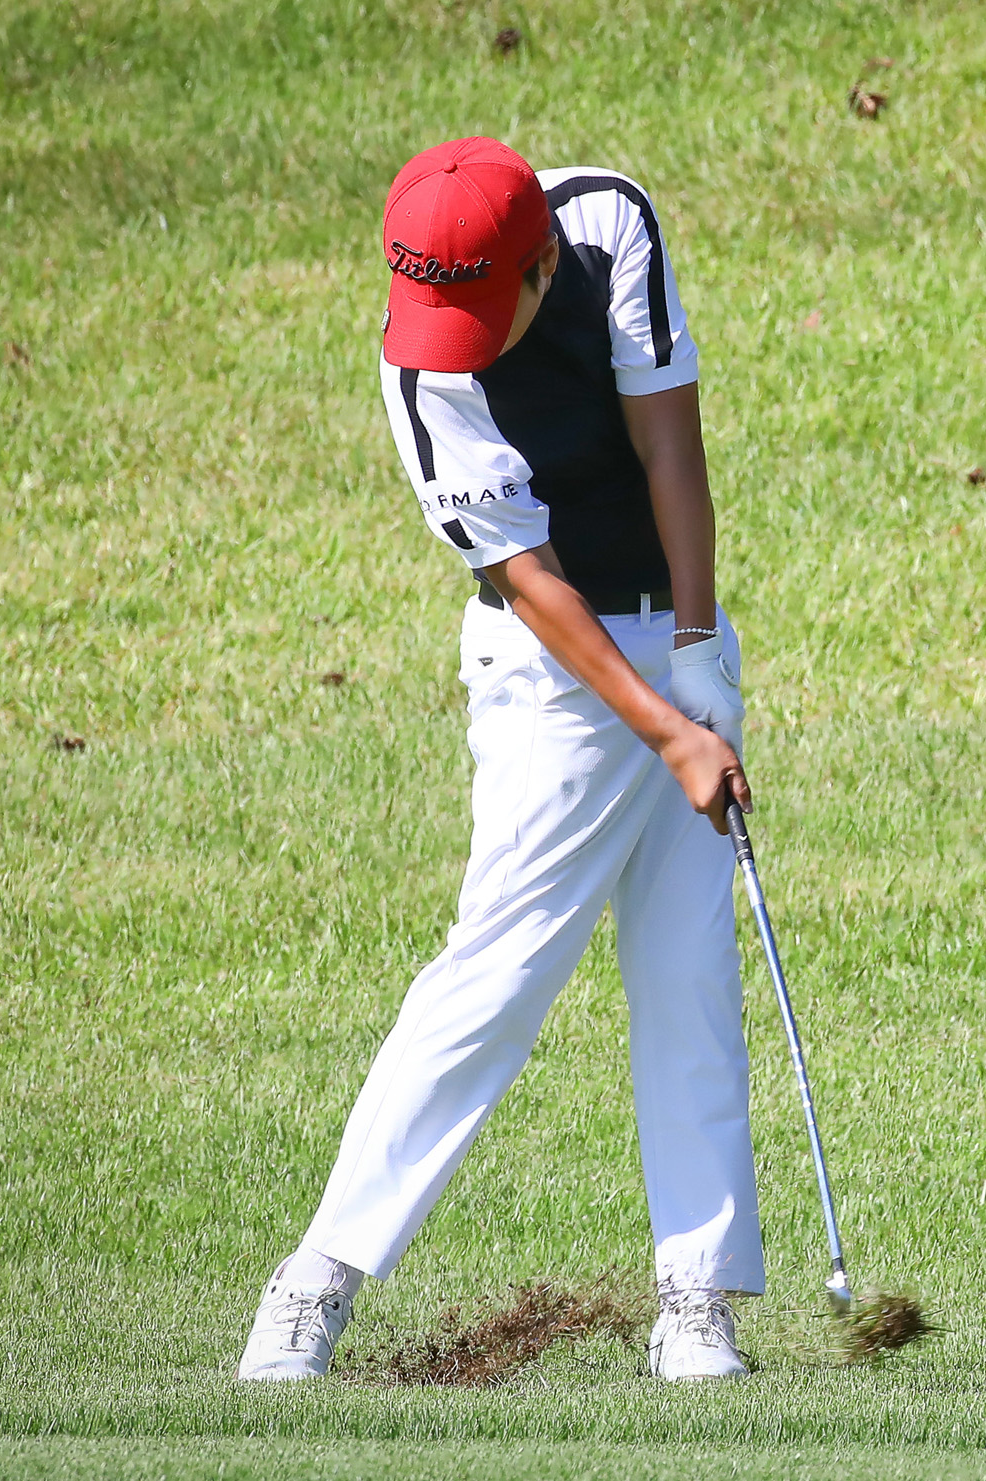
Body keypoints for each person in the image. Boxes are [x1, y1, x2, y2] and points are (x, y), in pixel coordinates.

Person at [236, 137, 762, 1383]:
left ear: (538, 267)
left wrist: (699, 650)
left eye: (485, 308)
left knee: (688, 974)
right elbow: (528, 577)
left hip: (673, 643)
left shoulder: (609, 224)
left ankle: (695, 1301)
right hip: (549, 678)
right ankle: (316, 1279)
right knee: (498, 973)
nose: (458, 341)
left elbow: (668, 447)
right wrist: (670, 728)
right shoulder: (419, 363)